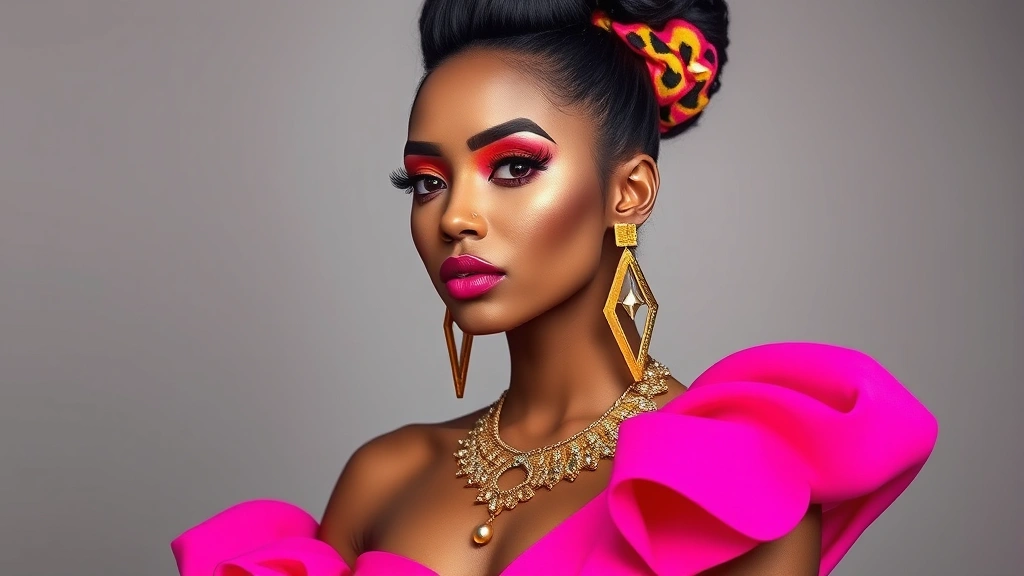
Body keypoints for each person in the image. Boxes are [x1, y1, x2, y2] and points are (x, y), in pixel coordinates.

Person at [170, 1, 938, 574]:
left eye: (512, 166)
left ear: (628, 192)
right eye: (427, 180)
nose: (454, 217)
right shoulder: (384, 476)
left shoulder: (722, 486)